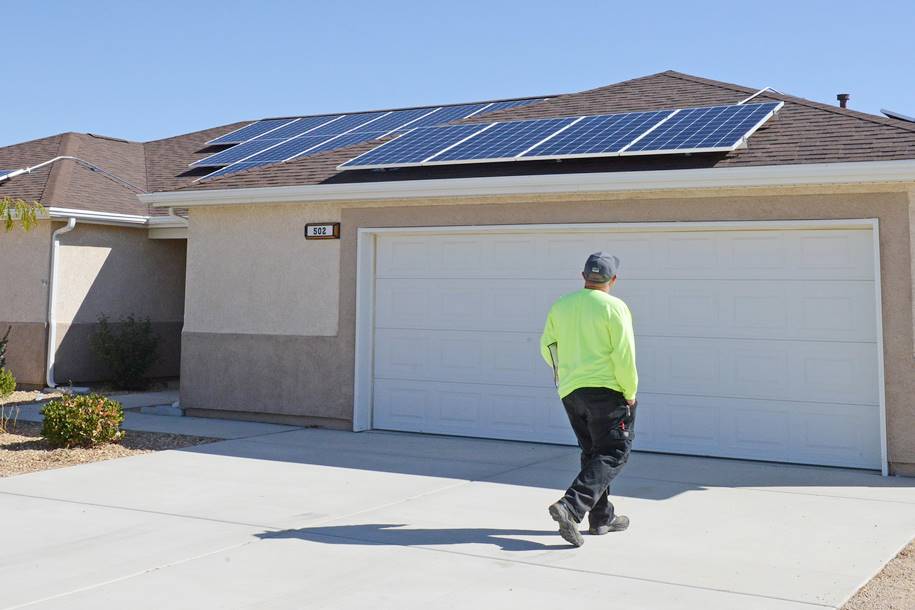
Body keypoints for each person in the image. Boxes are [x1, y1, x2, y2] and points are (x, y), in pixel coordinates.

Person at [539, 252, 638, 547]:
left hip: (571, 391)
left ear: (583, 276)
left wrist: (566, 375)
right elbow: (624, 354)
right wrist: (629, 392)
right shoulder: (615, 307)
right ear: (613, 279)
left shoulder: (561, 305)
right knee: (614, 452)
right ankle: (571, 506)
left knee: (593, 453)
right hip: (607, 391)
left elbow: (547, 347)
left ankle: (601, 518)